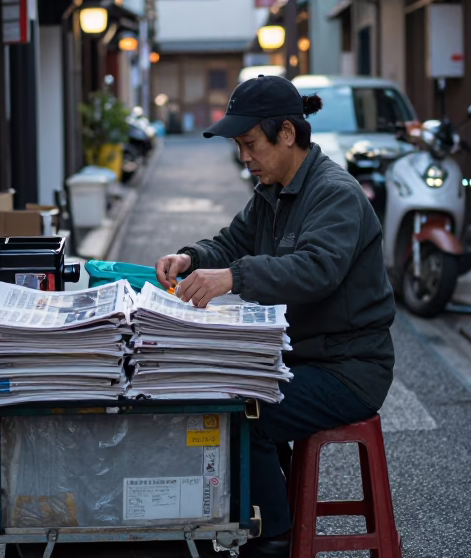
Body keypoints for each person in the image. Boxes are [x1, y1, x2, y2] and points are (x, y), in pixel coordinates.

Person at [156, 75, 395, 558]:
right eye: (239, 146)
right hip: (300, 357)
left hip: (348, 367)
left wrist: (233, 277)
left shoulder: (334, 192)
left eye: (250, 143)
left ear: (286, 133)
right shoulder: (272, 190)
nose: (244, 156)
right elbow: (231, 241)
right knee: (212, 393)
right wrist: (190, 258)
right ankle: (262, 516)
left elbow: (318, 270)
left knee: (244, 414)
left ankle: (273, 540)